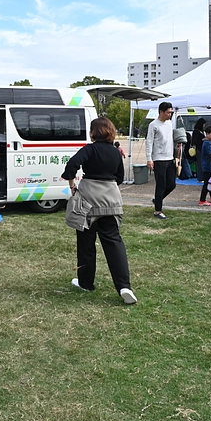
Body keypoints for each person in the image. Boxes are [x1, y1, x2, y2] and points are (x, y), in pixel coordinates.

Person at [64, 117, 136, 305]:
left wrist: (72, 185)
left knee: (86, 242)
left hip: (88, 199)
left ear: (93, 133)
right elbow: (119, 177)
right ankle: (124, 286)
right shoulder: (115, 152)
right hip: (111, 199)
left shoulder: (89, 149)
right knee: (114, 241)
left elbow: (71, 165)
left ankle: (85, 282)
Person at [146, 101, 176, 220]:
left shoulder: (169, 123)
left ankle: (157, 200)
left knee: (171, 184)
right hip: (159, 159)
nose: (170, 115)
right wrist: (149, 159)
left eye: (171, 112)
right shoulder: (153, 125)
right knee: (161, 185)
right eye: (168, 112)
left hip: (170, 157)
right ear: (161, 112)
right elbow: (149, 142)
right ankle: (158, 210)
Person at [197, 125, 211, 206]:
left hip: (208, 166)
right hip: (207, 166)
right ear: (207, 134)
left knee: (210, 181)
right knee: (207, 183)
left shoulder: (208, 142)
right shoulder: (207, 144)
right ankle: (202, 200)